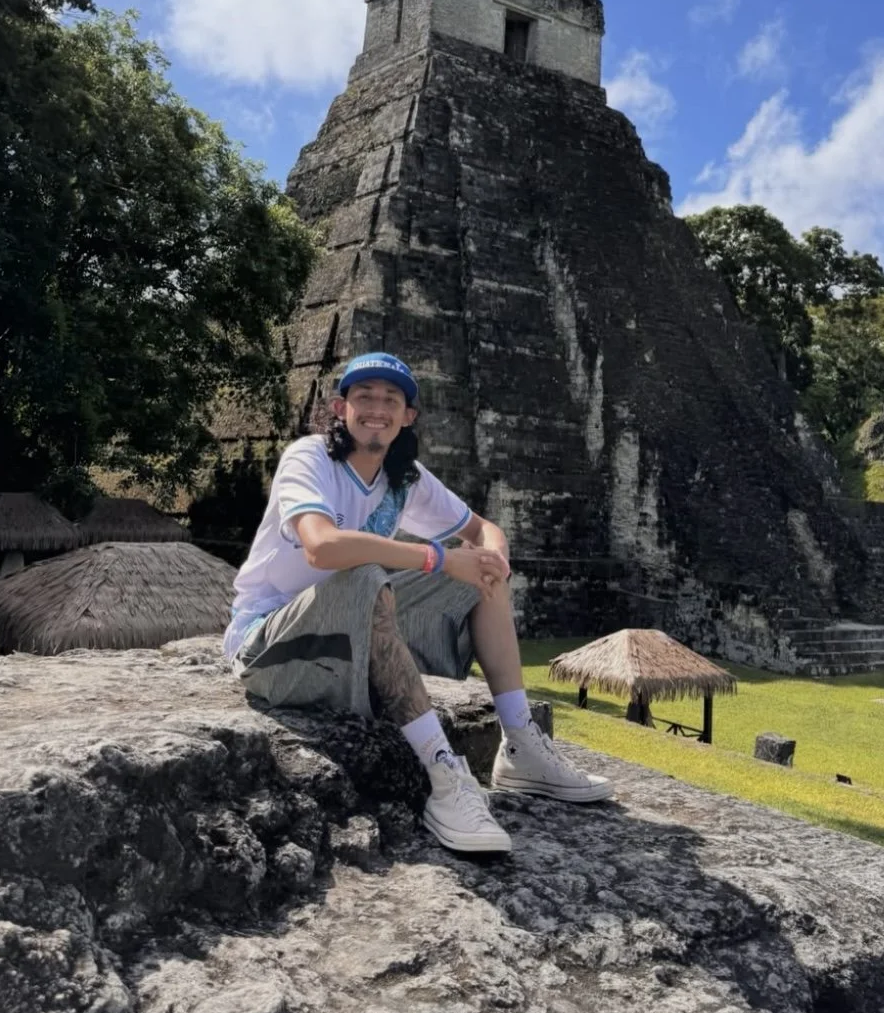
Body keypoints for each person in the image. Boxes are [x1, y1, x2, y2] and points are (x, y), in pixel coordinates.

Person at [224, 351, 612, 854]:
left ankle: (521, 743)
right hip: (270, 650)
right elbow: (322, 546)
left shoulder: (404, 476)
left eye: (391, 399)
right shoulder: (310, 457)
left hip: (346, 641)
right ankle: (442, 774)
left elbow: (482, 529)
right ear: (341, 408)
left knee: (478, 574)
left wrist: (494, 556)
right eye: (364, 397)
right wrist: (436, 559)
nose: (376, 409)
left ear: (408, 416)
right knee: (363, 571)